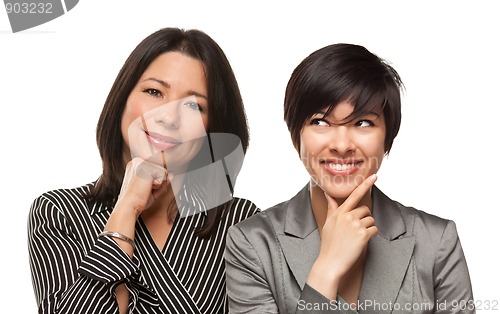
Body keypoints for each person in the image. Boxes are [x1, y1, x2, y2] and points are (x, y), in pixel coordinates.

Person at [225, 43, 474, 313]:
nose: (342, 145)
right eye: (320, 122)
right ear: (296, 136)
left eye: (363, 122)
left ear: (387, 137)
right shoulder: (252, 243)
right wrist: (327, 269)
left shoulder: (436, 242)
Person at [28, 27, 259, 314]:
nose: (168, 117)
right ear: (123, 99)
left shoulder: (238, 221)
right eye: (154, 91)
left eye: (193, 105)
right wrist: (126, 210)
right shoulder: (60, 212)